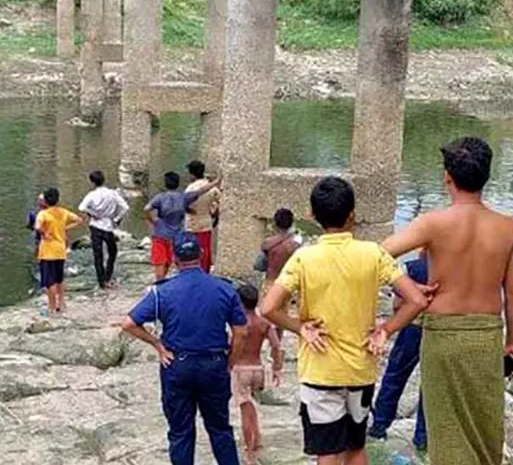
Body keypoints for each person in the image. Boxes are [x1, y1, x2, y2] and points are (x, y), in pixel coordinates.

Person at [260, 177, 428, 465]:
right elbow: (417, 300)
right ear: (352, 214)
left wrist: (300, 328)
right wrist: (385, 330)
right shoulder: (374, 254)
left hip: (320, 370)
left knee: (327, 452)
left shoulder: (304, 258)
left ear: (312, 216)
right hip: (360, 368)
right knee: (355, 447)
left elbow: (268, 308)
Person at [382, 136, 513, 465]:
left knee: (445, 426)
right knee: (485, 425)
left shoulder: (433, 223)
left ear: (447, 176)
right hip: (487, 334)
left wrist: (411, 290)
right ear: (487, 175)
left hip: (443, 335)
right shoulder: (508, 228)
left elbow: (378, 255)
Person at [120, 239, 247, 465]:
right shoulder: (225, 288)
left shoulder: (162, 292)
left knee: (180, 432)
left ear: (175, 260)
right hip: (214, 363)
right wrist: (230, 362)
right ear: (202, 253)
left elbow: (129, 323)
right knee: (220, 430)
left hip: (177, 364)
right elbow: (241, 332)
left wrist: (158, 345)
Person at [368, 256, 429, 451]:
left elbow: (397, 304)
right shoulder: (452, 267)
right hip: (438, 331)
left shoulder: (413, 268)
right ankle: (423, 436)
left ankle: (380, 425)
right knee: (429, 384)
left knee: (395, 375)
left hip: (412, 327)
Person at [229, 284, 284, 463]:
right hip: (258, 369)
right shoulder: (264, 323)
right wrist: (277, 368)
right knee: (251, 406)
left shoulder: (236, 322)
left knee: (245, 410)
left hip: (240, 369)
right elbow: (277, 346)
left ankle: (249, 451)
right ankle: (258, 439)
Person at [145, 172, 220, 282]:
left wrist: (153, 220)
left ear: (165, 184)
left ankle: (160, 285)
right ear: (178, 183)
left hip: (160, 235)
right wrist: (215, 182)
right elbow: (200, 191)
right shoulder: (183, 197)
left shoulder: (160, 197)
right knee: (175, 263)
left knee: (160, 263)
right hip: (176, 237)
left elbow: (146, 209)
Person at [34, 187, 84, 315]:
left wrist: (44, 233)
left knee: (49, 281)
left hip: (47, 251)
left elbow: (37, 227)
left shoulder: (43, 214)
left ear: (45, 201)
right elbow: (79, 220)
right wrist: (64, 228)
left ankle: (52, 306)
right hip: (60, 250)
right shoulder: (63, 212)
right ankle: (62, 303)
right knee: (59, 278)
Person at [78, 169, 130, 289]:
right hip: (108, 226)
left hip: (95, 226)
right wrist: (117, 218)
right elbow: (125, 207)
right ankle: (108, 277)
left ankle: (101, 282)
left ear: (93, 182)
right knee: (112, 252)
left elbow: (82, 207)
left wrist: (93, 213)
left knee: (98, 255)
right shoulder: (112, 193)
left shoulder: (91, 195)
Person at [185, 160, 220, 272]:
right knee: (205, 248)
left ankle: (193, 270)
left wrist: (189, 210)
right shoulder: (212, 188)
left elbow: (184, 202)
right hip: (206, 222)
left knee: (192, 249)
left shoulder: (191, 188)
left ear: (191, 174)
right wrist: (215, 215)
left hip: (192, 224)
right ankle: (205, 271)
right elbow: (217, 204)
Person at [260, 208, 300, 293]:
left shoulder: (269, 243)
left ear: (275, 223)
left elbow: (264, 247)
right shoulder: (294, 245)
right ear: (292, 223)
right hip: (288, 285)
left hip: (270, 283)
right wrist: (288, 235)